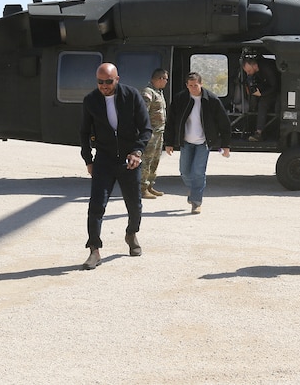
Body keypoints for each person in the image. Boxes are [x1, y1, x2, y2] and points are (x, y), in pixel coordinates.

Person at [79, 63, 152, 270]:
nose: (104, 86)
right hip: (104, 159)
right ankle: (94, 249)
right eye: (100, 82)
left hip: (130, 159)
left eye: (108, 82)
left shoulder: (131, 96)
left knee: (134, 205)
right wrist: (88, 160)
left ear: (117, 79)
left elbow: (146, 129)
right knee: (96, 206)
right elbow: (84, 133)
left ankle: (131, 234)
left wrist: (137, 152)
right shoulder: (91, 101)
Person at [164, 71, 231, 214]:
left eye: (196, 85)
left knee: (198, 172)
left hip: (203, 142)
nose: (193, 88)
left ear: (201, 84)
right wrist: (169, 142)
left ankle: (196, 201)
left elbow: (224, 122)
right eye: (190, 85)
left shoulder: (211, 100)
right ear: (186, 86)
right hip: (186, 141)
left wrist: (225, 145)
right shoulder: (180, 99)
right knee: (185, 172)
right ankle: (194, 190)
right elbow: (171, 122)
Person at [140, 68, 168, 199]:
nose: (166, 82)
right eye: (165, 79)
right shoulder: (148, 92)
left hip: (159, 133)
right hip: (151, 133)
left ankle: (150, 185)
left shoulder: (158, 92)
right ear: (160, 79)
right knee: (147, 160)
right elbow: (143, 113)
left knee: (155, 160)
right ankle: (142, 187)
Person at [242, 56, 279, 142]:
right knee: (261, 103)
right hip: (268, 89)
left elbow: (275, 86)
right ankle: (257, 131)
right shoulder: (255, 73)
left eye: (249, 71)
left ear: (254, 65)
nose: (248, 73)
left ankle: (265, 133)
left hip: (279, 89)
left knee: (268, 105)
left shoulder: (267, 68)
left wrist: (261, 94)